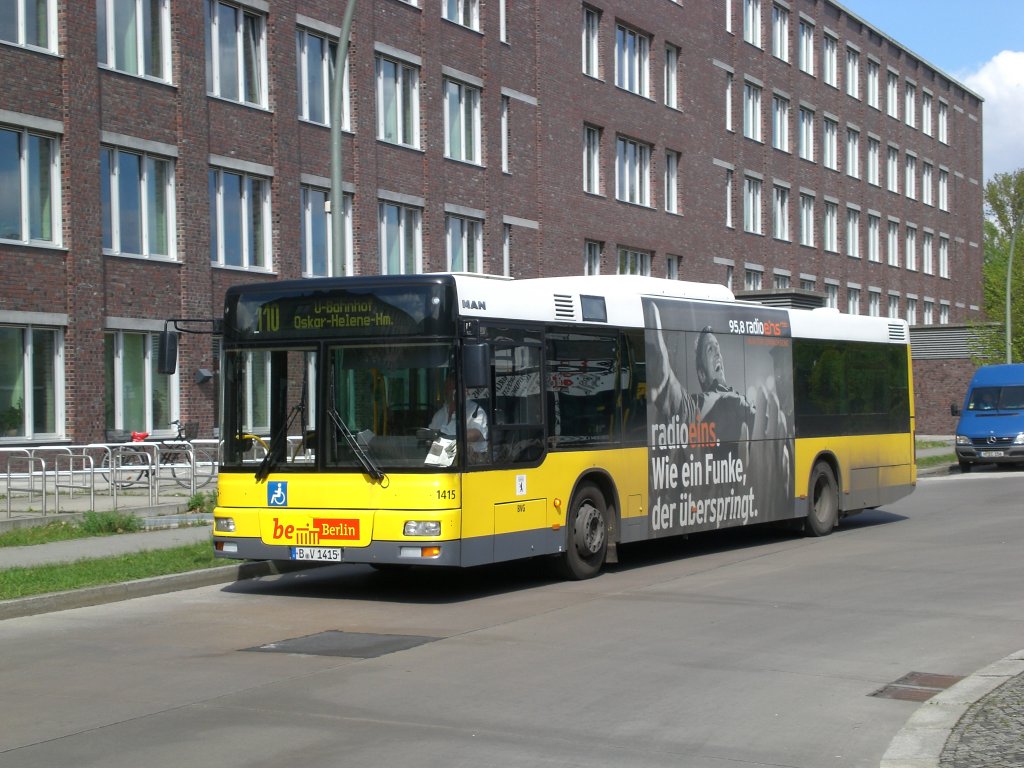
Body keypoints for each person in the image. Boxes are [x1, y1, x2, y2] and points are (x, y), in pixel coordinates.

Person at [427, 375, 488, 462]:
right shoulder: (440, 413)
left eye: (451, 389)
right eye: (446, 389)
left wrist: (451, 441)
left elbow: (476, 433)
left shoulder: (475, 410)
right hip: (441, 459)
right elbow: (431, 434)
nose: (447, 392)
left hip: (472, 461)